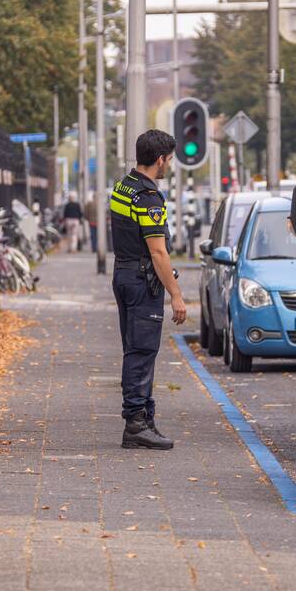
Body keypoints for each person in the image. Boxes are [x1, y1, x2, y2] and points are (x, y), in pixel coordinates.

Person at [110, 129, 187, 450]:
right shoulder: (148, 198)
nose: (168, 165)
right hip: (142, 281)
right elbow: (158, 251)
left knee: (134, 349)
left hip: (123, 274)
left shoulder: (122, 187)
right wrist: (176, 294)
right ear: (159, 159)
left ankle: (144, 417)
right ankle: (136, 424)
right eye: (168, 160)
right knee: (141, 352)